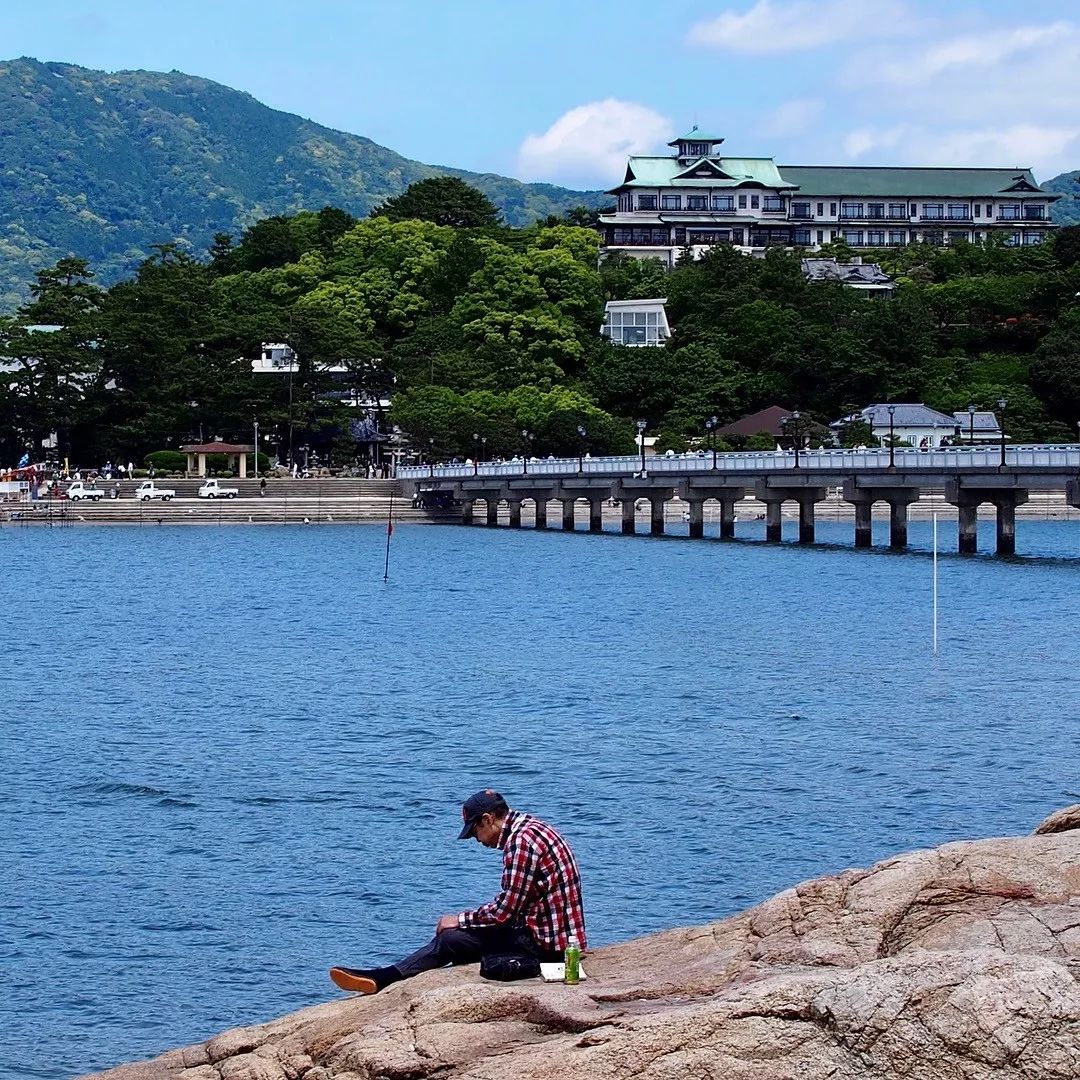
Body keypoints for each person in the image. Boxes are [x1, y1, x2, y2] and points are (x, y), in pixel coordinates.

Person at [329, 789, 586, 995]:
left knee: (452, 939)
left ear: (487, 819)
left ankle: (383, 978)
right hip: (557, 936)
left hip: (546, 946)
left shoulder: (521, 843)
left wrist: (459, 919)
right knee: (461, 937)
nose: (478, 841)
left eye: (475, 833)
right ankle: (386, 975)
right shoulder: (534, 827)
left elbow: (505, 911)